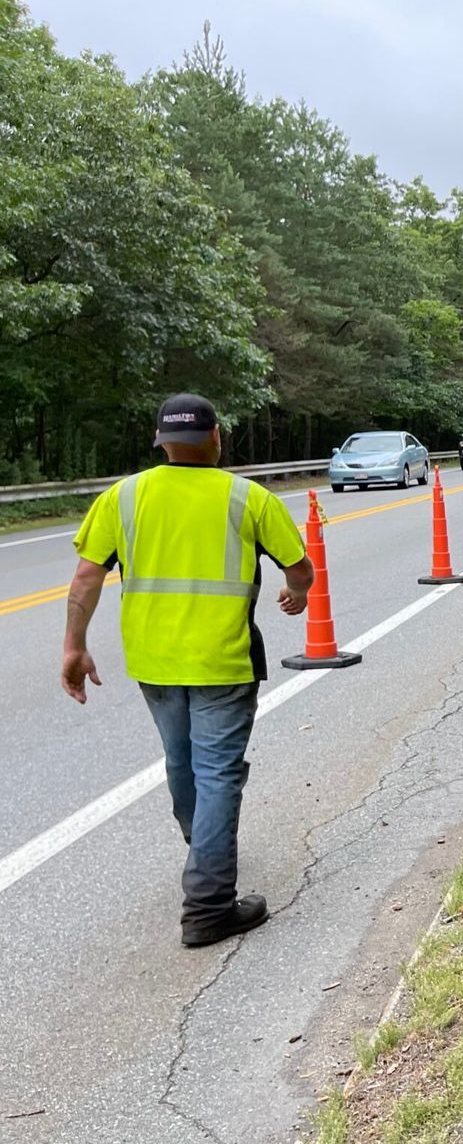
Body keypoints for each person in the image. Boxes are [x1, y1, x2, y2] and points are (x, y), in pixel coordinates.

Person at [59, 394, 315, 947]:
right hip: (222, 660)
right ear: (216, 437)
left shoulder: (123, 497)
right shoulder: (247, 497)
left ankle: (204, 847)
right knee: (218, 773)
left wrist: (74, 647)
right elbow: (300, 567)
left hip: (153, 663)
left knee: (183, 764)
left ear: (160, 441)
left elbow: (85, 579)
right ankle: (207, 907)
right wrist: (296, 594)